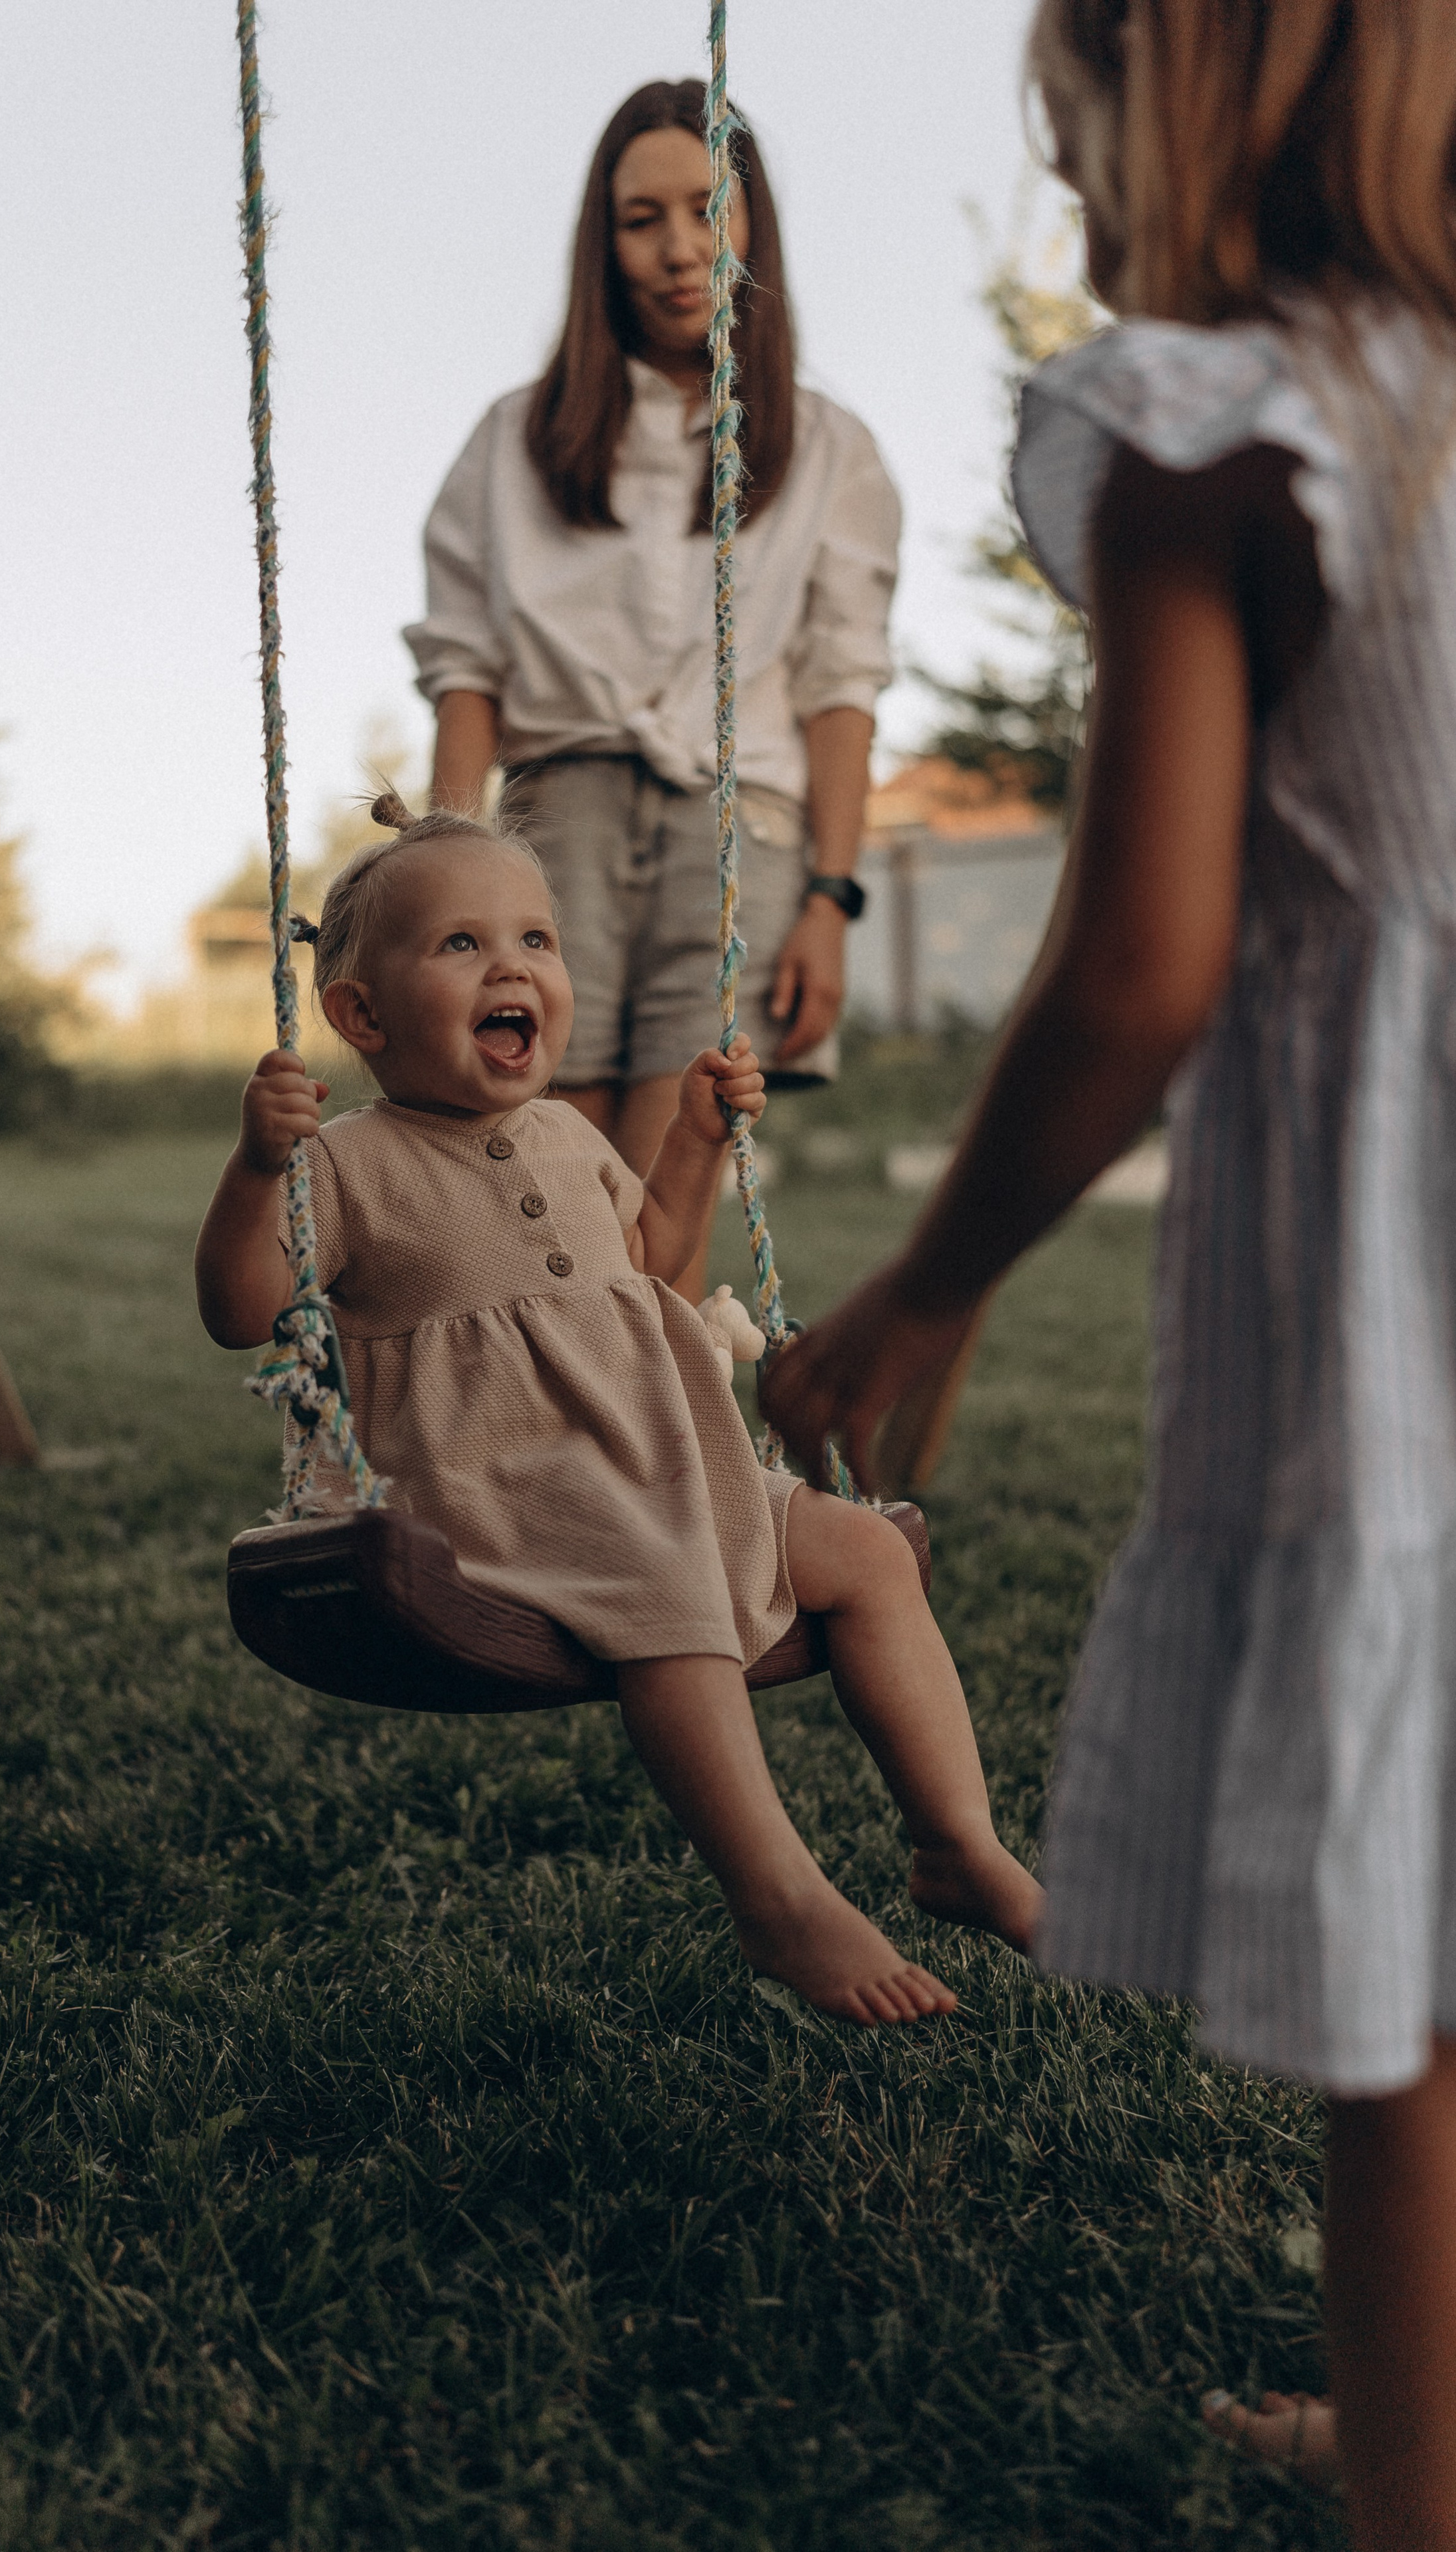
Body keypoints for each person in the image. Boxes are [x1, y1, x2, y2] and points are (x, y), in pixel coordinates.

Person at [760, 1, 1456, 2537]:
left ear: (1183, 89)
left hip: (1409, 1285)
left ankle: (1411, 2489)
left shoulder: (1222, 421)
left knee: (1418, 1993)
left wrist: (932, 1281)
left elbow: (1146, 960)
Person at [195, 794, 1041, 2024]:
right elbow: (241, 1304)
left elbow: (654, 1268)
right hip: (495, 1496)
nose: (515, 967)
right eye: (463, 946)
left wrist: (694, 1142)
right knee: (671, 1589)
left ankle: (959, 1843)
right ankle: (779, 1898)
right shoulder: (350, 1168)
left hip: (656, 1466)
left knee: (864, 1550)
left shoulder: (573, 1134)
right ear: (360, 1015)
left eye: (536, 940)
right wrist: (256, 1168)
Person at [402, 78, 900, 1300]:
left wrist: (835, 896)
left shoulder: (829, 449)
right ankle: (526, 1454)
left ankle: (659, 1469)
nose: (680, 246)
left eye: (706, 207)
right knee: (528, 1157)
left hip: (745, 829)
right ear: (603, 240)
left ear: (750, 222)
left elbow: (843, 690)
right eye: (641, 218)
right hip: (554, 823)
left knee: (678, 1167)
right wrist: (447, 872)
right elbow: (466, 673)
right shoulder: (514, 441)